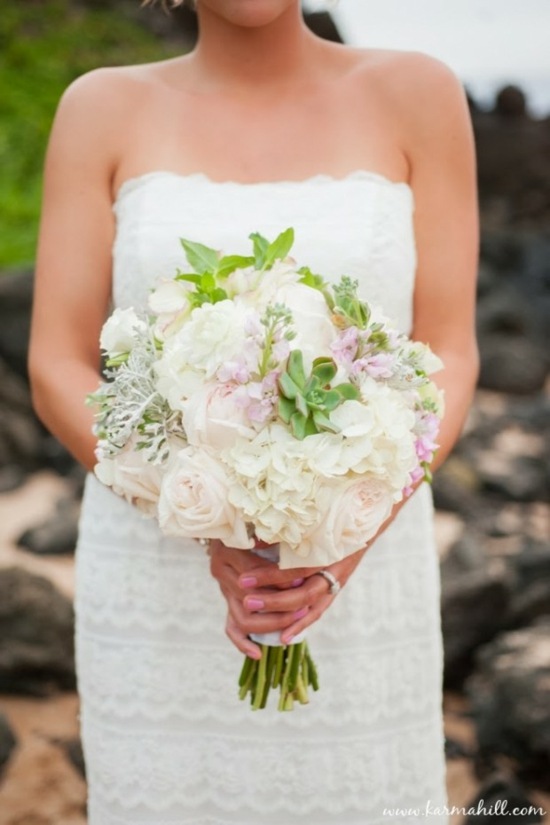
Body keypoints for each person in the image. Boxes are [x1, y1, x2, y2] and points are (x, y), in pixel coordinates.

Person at [29, 0, 479, 822]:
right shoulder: (100, 106)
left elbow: (449, 348)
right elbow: (56, 362)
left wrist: (342, 537)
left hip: (364, 559)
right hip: (153, 559)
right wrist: (206, 516)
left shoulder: (419, 92)